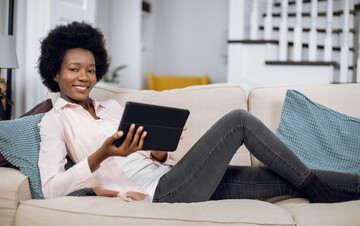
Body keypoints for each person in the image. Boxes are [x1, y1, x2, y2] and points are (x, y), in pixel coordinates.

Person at [37, 21, 360, 203]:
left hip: (179, 178)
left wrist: (160, 150)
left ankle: (316, 188)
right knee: (239, 120)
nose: (84, 77)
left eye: (91, 70)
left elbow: (153, 158)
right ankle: (315, 189)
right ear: (55, 72)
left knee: (283, 180)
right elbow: (51, 188)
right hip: (161, 193)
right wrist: (102, 154)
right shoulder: (55, 120)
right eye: (74, 69)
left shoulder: (112, 107)